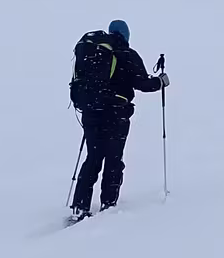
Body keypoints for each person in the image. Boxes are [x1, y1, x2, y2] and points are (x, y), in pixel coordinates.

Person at [69, 18, 167, 216]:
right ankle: (108, 204)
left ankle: (80, 206)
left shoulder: (94, 51)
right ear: (126, 35)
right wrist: (161, 81)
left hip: (91, 112)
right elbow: (143, 84)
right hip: (116, 115)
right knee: (113, 158)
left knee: (93, 157)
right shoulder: (127, 54)